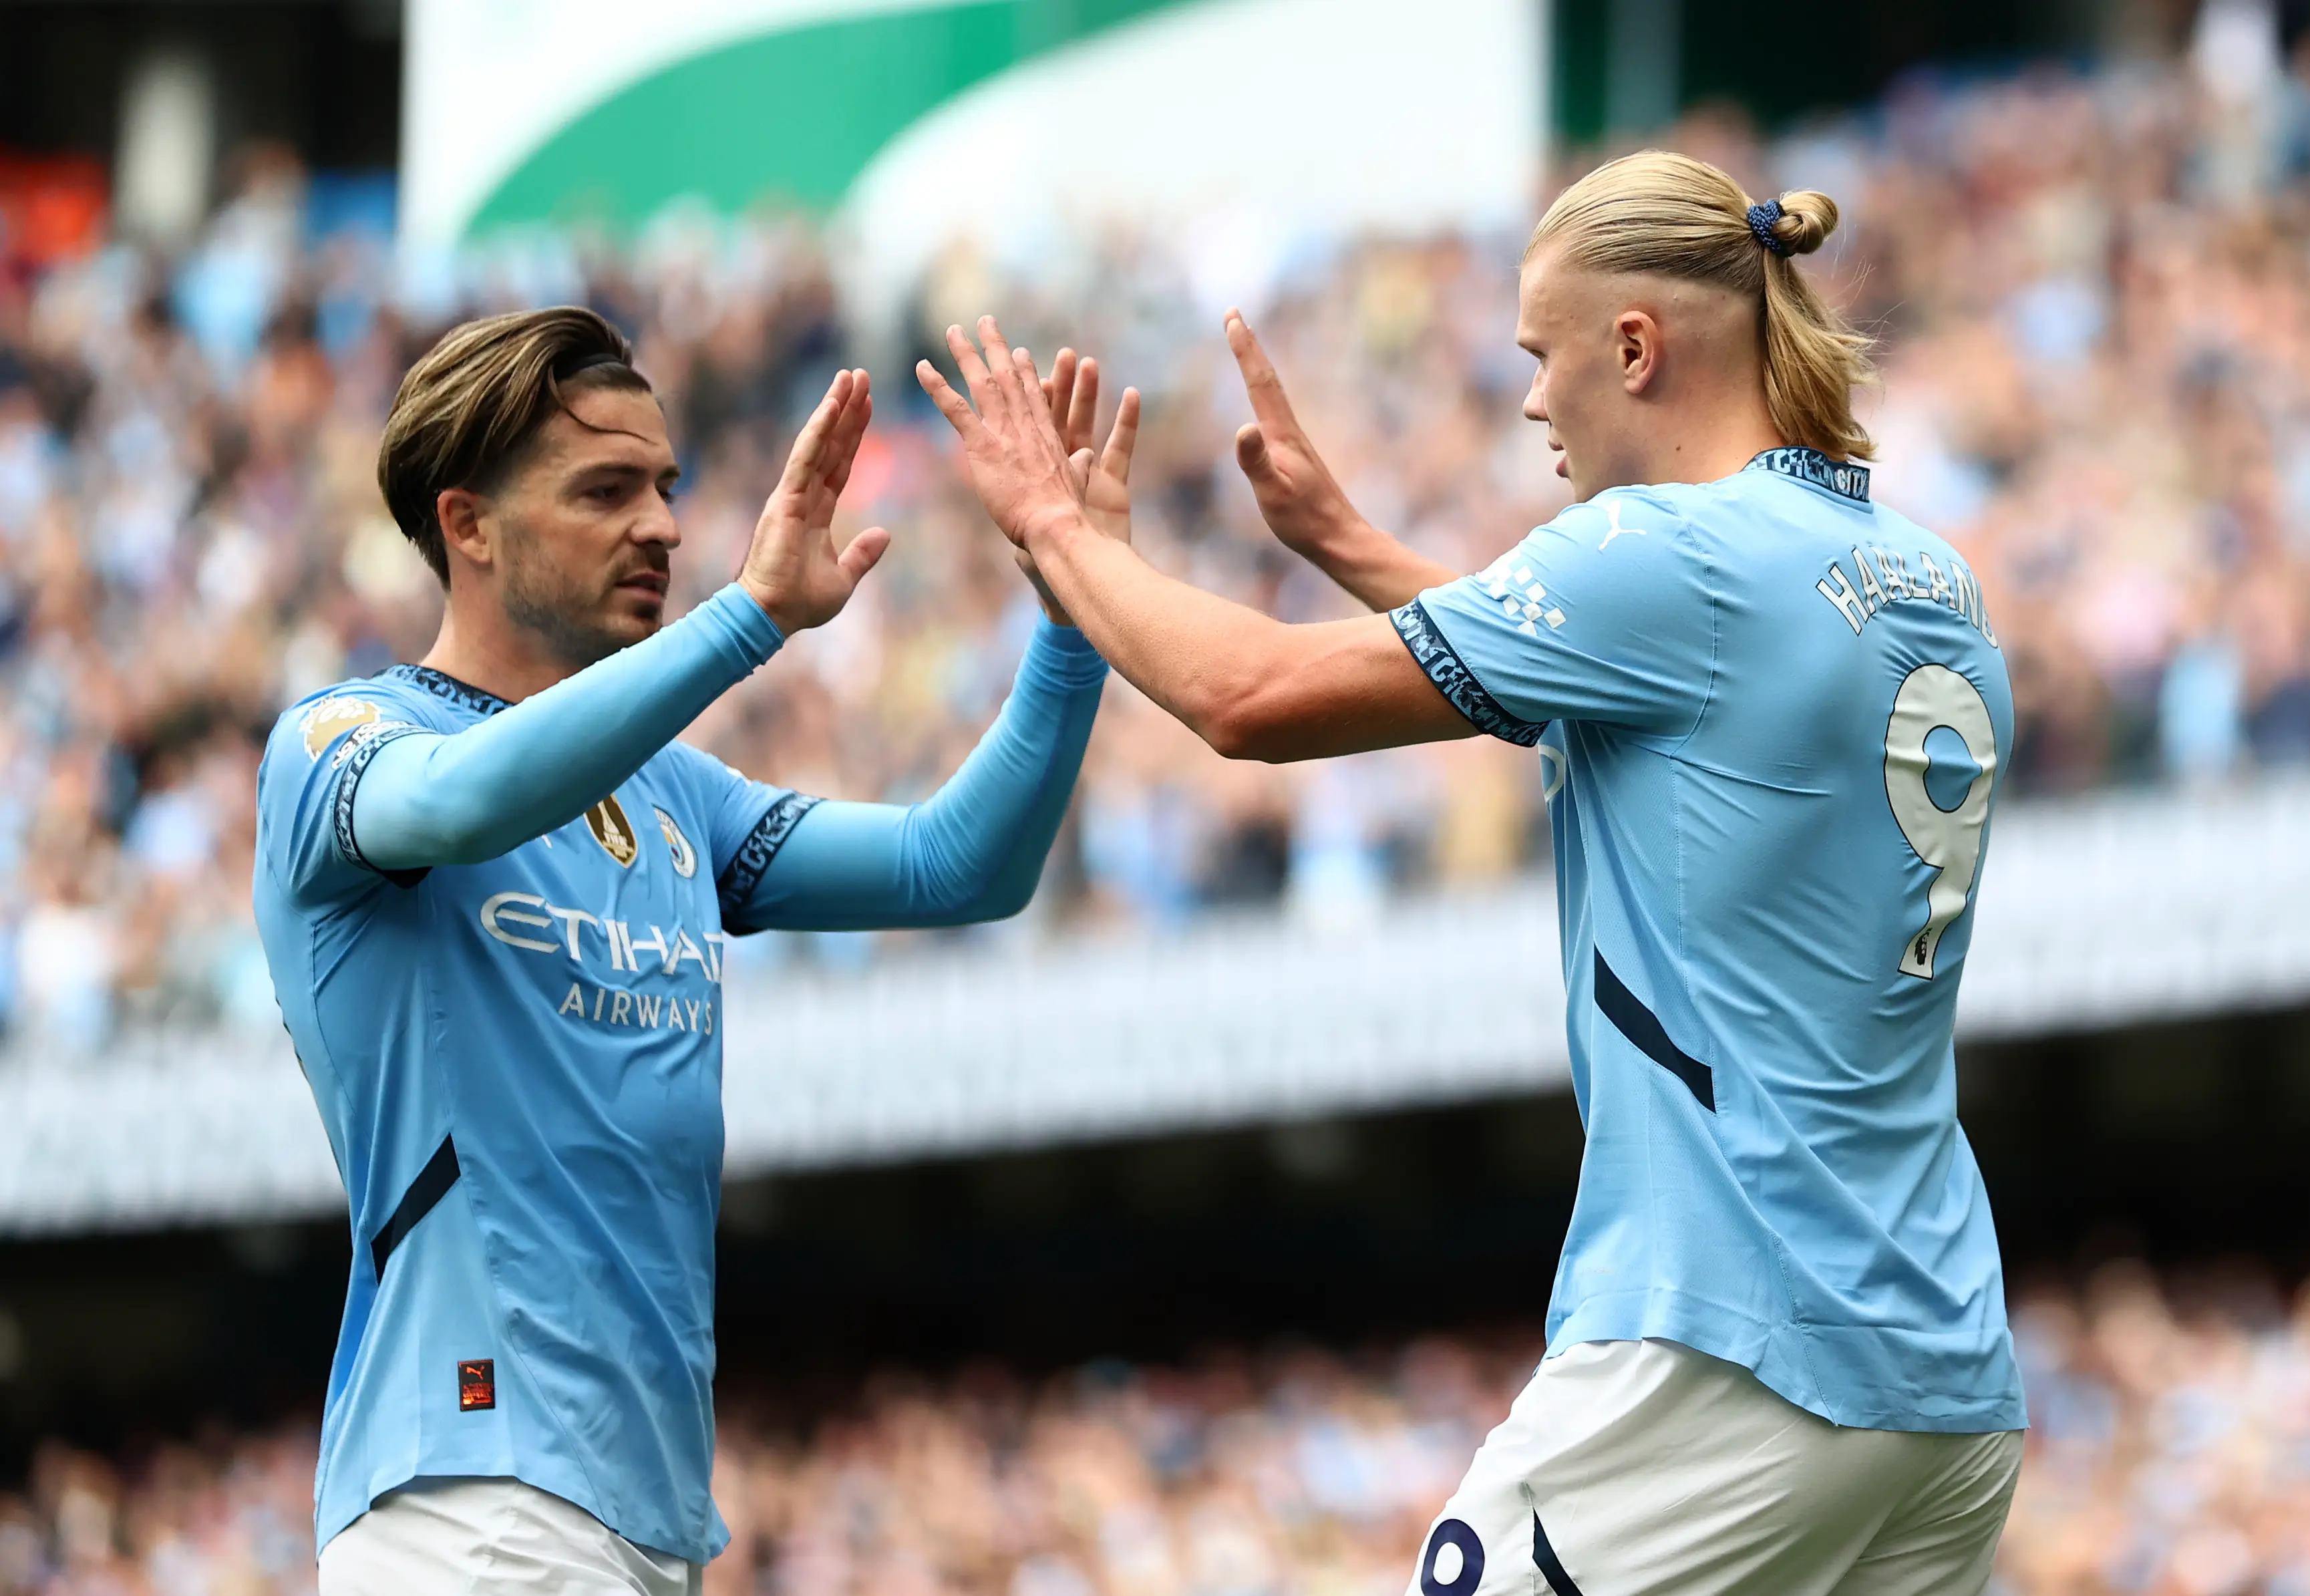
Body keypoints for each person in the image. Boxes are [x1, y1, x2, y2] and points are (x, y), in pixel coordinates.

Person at [922, 151, 2026, 1595]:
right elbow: (1649, 701)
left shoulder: (1667, 552)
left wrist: (1057, 532)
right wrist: (1349, 545)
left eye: (1540, 356)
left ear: (1635, 348)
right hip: (1941, 1382)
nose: (1527, 400)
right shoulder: (1922, 575)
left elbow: (1246, 701)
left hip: (1731, 1350)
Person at [253, 306, 1127, 1594]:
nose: (661, 524)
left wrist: (1068, 620)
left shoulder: (669, 797)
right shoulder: (336, 745)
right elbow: (461, 804)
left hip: (644, 1521)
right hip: (467, 1504)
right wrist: (749, 618)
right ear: (468, 527)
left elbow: (961, 867)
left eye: (666, 487)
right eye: (606, 490)